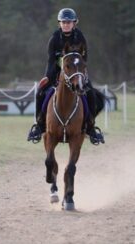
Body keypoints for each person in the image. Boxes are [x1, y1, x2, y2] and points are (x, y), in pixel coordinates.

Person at [27, 8, 105, 145]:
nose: (66, 24)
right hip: (57, 71)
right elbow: (51, 60)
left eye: (69, 22)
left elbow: (84, 57)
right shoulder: (54, 38)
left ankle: (91, 127)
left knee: (91, 94)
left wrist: (80, 71)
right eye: (63, 22)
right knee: (40, 92)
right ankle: (39, 125)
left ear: (74, 23)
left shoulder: (80, 37)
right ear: (60, 23)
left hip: (76, 72)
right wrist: (47, 77)